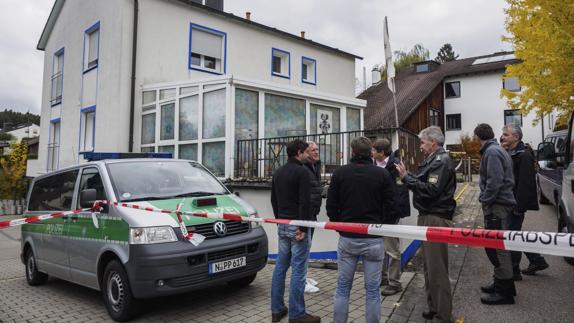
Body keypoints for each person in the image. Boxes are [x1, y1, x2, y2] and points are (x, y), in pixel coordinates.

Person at [327, 136, 395, 323]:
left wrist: (339, 225)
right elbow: (391, 207)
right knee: (373, 291)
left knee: (342, 288)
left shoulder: (340, 174)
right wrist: (380, 225)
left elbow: (331, 206)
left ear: (353, 152)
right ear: (370, 152)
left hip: (348, 238)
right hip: (373, 238)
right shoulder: (382, 175)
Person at [396, 126, 456, 323]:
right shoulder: (434, 160)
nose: (420, 146)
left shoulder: (441, 161)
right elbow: (423, 182)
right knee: (429, 267)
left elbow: (431, 190)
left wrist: (406, 179)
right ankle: (434, 306)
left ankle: (442, 314)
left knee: (437, 268)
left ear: (433, 142)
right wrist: (408, 177)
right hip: (428, 215)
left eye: (422, 142)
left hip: (435, 217)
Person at [270, 139, 320, 323]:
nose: (309, 154)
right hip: (297, 226)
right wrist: (302, 228)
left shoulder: (278, 172)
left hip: (282, 224)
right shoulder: (302, 172)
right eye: (307, 151)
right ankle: (297, 314)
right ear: (299, 152)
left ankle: (277, 310)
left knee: (280, 267)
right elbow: (304, 203)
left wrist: (279, 223)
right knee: (299, 270)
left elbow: (273, 200)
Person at [474, 123, 517, 305]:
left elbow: (494, 182)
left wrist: (485, 200)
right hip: (500, 204)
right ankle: (500, 282)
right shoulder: (497, 150)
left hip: (497, 206)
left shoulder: (491, 152)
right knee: (496, 247)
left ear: (478, 137)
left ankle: (504, 293)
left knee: (497, 249)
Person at [500, 124, 549, 279]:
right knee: (515, 234)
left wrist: (519, 207)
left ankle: (514, 271)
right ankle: (536, 260)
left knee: (512, 236)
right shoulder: (511, 152)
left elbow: (525, 184)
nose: (502, 137)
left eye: (506, 135)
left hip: (515, 203)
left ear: (516, 137)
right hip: (510, 202)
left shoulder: (524, 155)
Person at [372, 139, 410, 296]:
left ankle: (395, 283)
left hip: (390, 215)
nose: (371, 153)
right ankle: (382, 278)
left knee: (392, 250)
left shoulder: (395, 166)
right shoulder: (373, 165)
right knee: (379, 249)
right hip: (376, 215)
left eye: (374, 151)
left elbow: (399, 193)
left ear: (382, 152)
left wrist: (393, 214)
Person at [304, 141, 322, 293]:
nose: (316, 152)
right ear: (306, 152)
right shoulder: (303, 168)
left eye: (317, 149)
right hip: (305, 214)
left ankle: (304, 276)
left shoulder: (315, 165)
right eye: (313, 150)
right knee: (303, 247)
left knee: (308, 246)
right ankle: (301, 281)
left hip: (313, 212)